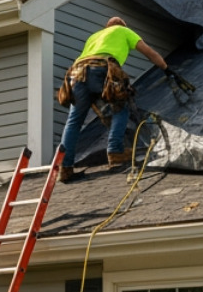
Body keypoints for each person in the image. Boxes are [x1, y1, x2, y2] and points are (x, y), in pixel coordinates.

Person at [56, 17, 171, 181]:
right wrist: (166, 69)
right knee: (120, 108)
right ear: (121, 26)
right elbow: (150, 53)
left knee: (74, 121)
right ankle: (115, 152)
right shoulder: (124, 31)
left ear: (106, 27)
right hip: (101, 69)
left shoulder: (94, 36)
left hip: (76, 75)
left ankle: (64, 167)